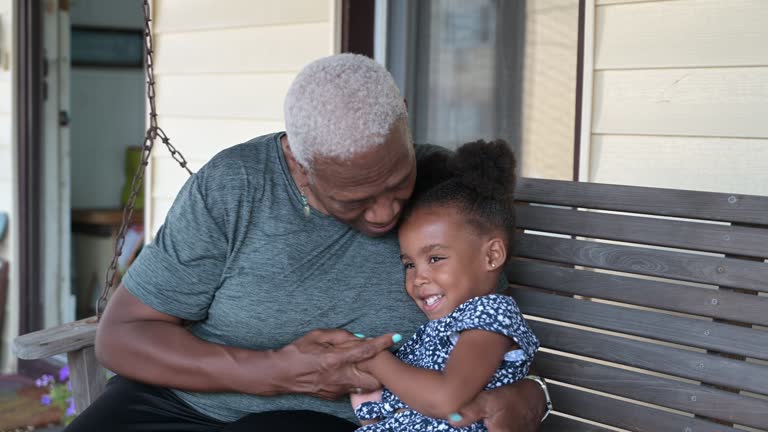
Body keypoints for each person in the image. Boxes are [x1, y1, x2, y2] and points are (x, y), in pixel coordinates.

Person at [66, 54, 548, 432]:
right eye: (353, 199)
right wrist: (273, 371)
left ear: (404, 118)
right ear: (298, 162)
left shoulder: (446, 197)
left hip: (326, 422)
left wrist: (533, 395)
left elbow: (491, 328)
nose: (386, 215)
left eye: (397, 182)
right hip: (178, 401)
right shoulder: (235, 186)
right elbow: (122, 335)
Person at [349, 140, 539, 431]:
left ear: (492, 255)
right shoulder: (439, 330)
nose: (419, 277)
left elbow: (445, 399)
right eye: (409, 264)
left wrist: (376, 361)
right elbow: (405, 404)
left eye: (435, 258)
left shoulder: (490, 318)